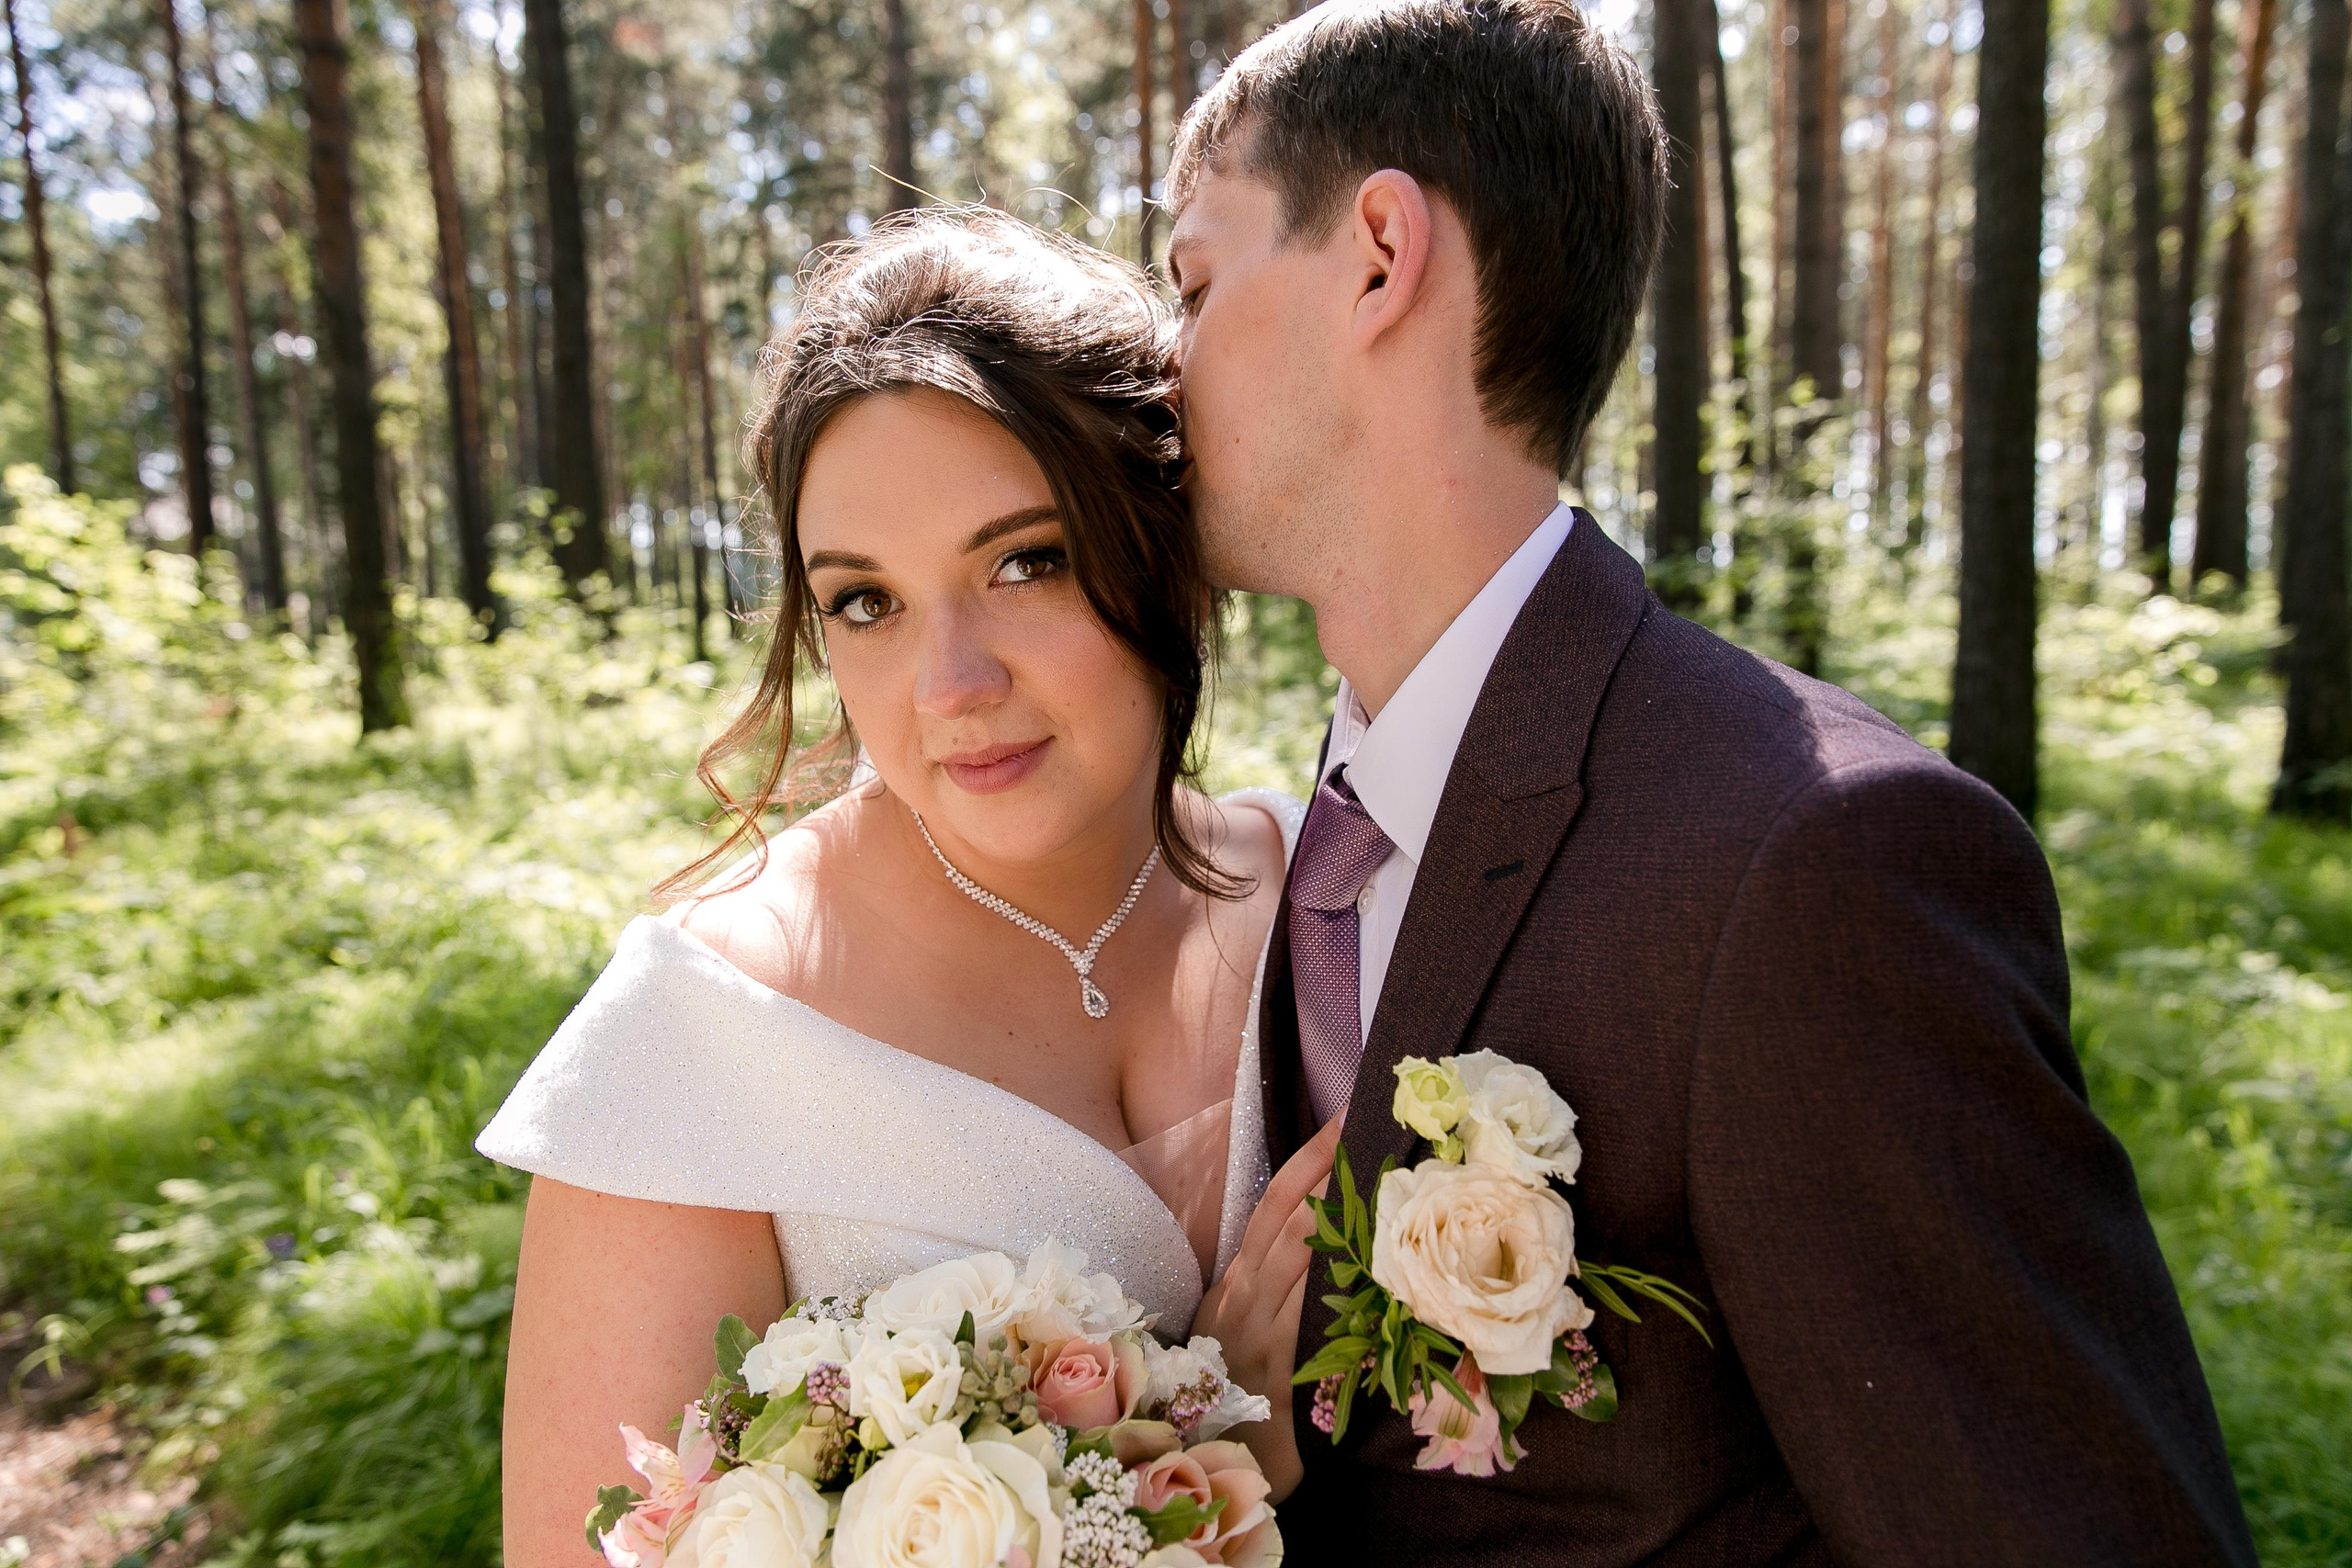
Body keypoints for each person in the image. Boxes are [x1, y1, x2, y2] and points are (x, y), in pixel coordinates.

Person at [1170, 1, 2259, 1562]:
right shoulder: (1324, 844)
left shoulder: (1815, 856)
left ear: (1379, 255)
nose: (1165, 358)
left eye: (1198, 282)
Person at [477, 209, 1318, 1565]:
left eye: (1024, 561)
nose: (952, 690)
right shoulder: (703, 1039)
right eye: (866, 601)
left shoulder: (1328, 890)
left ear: (1166, 544)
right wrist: (1225, 1461)